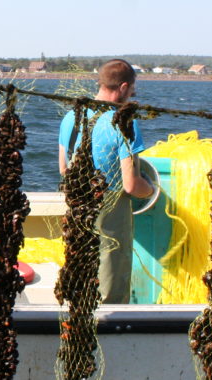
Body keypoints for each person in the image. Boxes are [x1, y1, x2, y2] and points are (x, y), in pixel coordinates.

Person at [58, 59, 155, 304]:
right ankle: (106, 328)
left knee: (81, 267)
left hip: (78, 204)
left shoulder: (72, 116)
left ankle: (77, 318)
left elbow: (63, 169)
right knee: (110, 276)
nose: (133, 93)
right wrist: (152, 190)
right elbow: (131, 185)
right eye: (132, 88)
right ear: (123, 87)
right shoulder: (125, 123)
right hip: (110, 209)